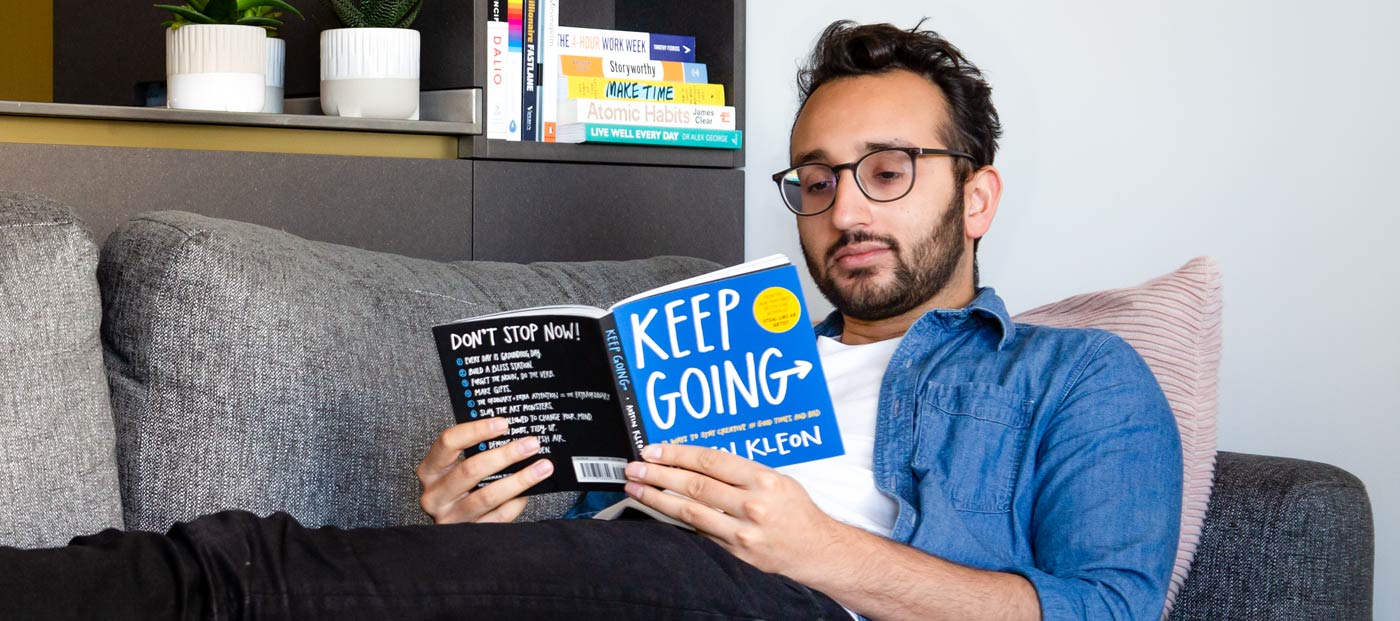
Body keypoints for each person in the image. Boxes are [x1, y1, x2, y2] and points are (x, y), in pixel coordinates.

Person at [0, 20, 1181, 620]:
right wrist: (474, 519)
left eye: (885, 170)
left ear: (975, 193)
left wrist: (815, 551)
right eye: (814, 178)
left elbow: (1106, 611)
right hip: (629, 579)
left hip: (782, 603)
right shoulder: (744, 344)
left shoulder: (1073, 377)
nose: (840, 207)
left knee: (258, 575)